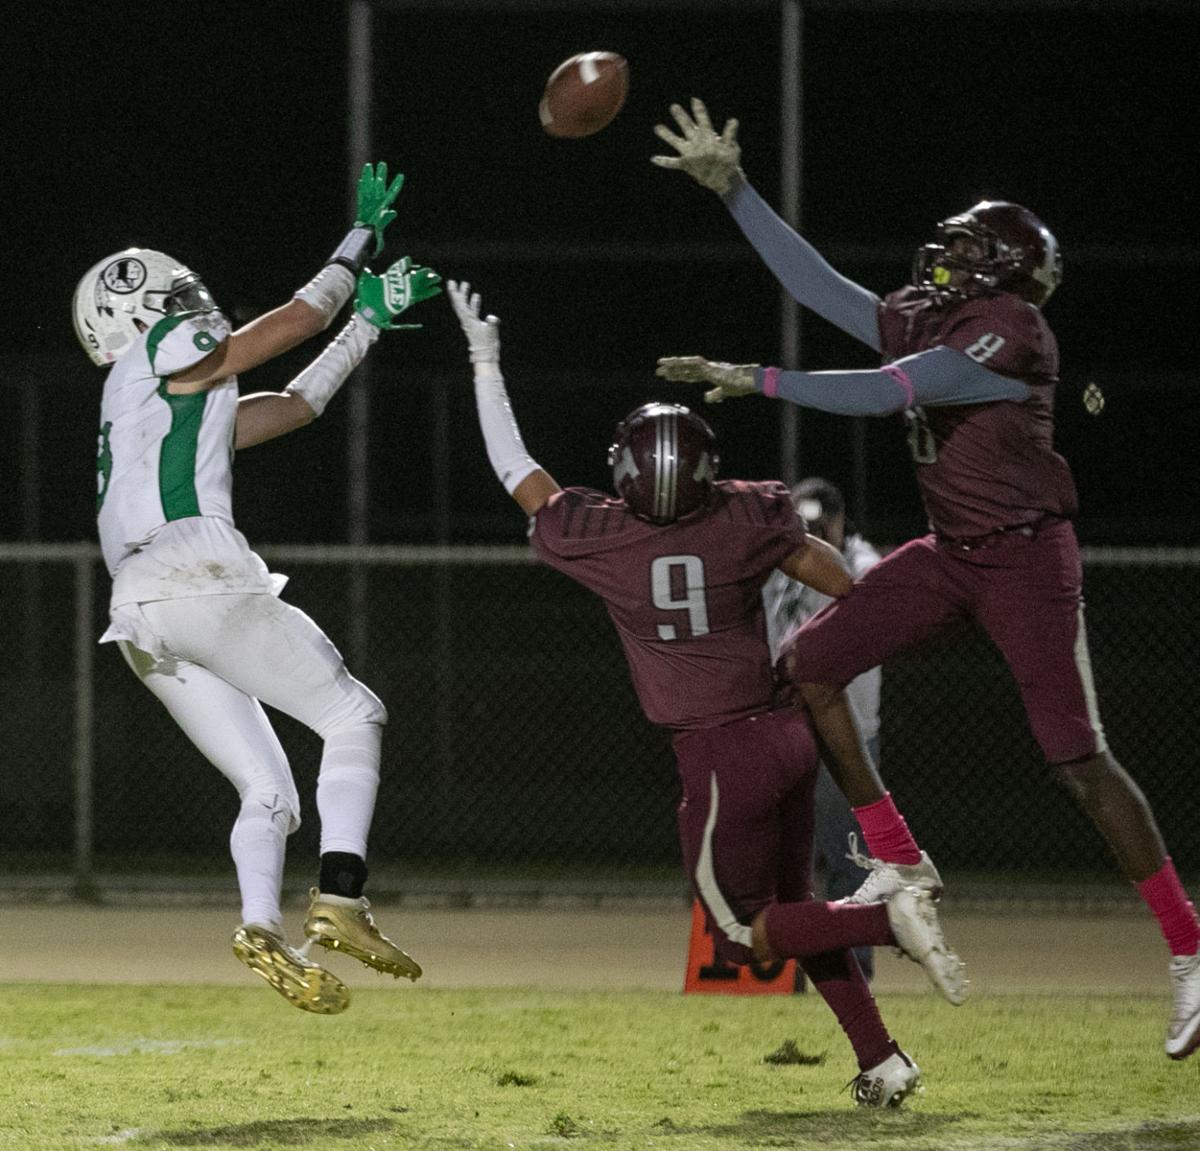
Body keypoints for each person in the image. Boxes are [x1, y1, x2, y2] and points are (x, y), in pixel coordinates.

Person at [651, 98, 1200, 1060]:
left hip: (1027, 557)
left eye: (959, 253)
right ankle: (897, 859)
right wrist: (732, 191)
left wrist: (762, 379)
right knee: (809, 662)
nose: (935, 264)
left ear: (1000, 274)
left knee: (1077, 760)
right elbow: (820, 287)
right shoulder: (932, 311)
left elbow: (891, 392)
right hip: (951, 553)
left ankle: (1191, 949)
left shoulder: (1013, 330)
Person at [446, 280, 967, 1108]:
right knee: (798, 908)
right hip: (792, 731)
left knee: (739, 927)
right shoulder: (748, 511)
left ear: (623, 471)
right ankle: (883, 1058)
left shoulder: (603, 535)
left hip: (722, 753)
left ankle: (887, 918)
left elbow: (519, 470)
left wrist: (484, 361)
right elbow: (841, 586)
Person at [72, 163, 441, 1015]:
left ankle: (259, 926)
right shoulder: (159, 351)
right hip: (196, 573)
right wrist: (354, 253)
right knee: (354, 715)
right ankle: (343, 896)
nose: (191, 302)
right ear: (133, 312)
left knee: (269, 791)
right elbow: (288, 326)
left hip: (140, 610)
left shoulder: (149, 405)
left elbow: (292, 405)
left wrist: (370, 326)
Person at [763, 478, 882, 978]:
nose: (807, 532)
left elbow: (866, 604)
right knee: (780, 850)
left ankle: (853, 966)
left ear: (836, 522)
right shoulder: (774, 558)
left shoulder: (863, 562)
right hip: (780, 724)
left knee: (848, 854)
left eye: (817, 524)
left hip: (845, 728)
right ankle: (782, 967)